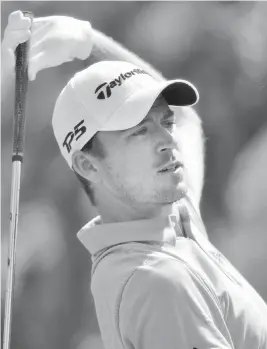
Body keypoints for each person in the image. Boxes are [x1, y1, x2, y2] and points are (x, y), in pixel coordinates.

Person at [2, 10, 267, 349]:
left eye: (163, 123)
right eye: (140, 131)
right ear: (88, 165)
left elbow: (186, 118)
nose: (167, 140)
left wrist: (87, 43)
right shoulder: (158, 284)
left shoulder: (170, 217)